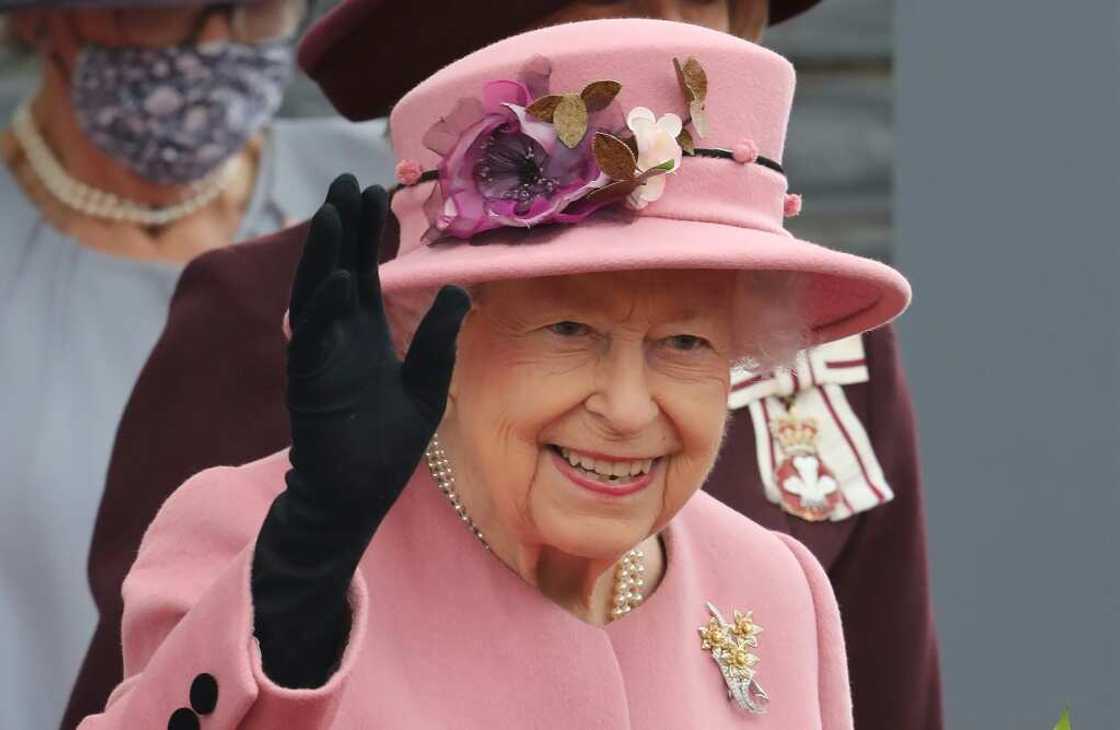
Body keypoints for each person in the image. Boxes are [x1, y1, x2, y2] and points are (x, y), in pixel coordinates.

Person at [65, 2, 943, 730]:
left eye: (686, 343)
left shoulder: (777, 589)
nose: (631, 407)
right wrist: (291, 608)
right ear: (433, 321)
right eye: (566, 328)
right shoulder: (247, 524)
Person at [0, 1, 394, 727]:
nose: (215, 44)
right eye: (154, 12)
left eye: (255, 11)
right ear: (35, 20)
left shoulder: (389, 200)